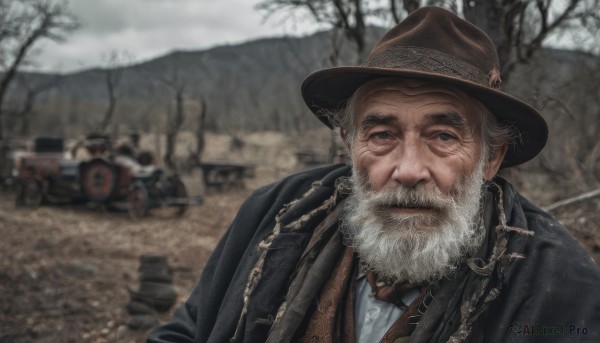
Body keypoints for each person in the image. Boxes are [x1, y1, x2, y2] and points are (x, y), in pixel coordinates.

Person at [148, 6, 600, 343]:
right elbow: (189, 331)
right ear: (349, 143)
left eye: (443, 136)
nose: (407, 170)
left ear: (491, 157)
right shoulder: (275, 216)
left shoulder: (556, 283)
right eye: (382, 134)